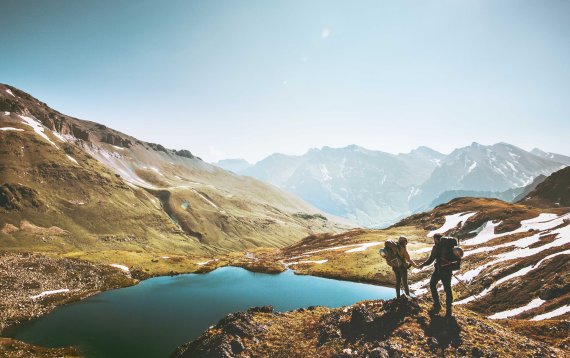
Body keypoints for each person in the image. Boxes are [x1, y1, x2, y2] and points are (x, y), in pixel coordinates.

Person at [418, 233, 454, 317]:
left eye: (434, 239)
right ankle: (449, 309)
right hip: (449, 270)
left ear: (437, 239)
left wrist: (423, 264)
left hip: (439, 270)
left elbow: (431, 259)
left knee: (432, 284)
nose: (434, 241)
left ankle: (437, 304)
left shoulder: (436, 247)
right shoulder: (449, 246)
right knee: (448, 288)